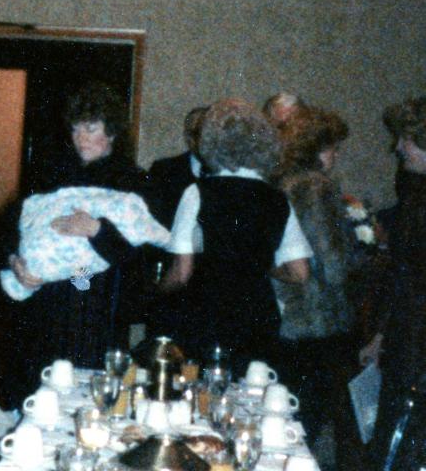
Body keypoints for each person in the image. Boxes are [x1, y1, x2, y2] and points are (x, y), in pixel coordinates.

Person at [6, 83, 152, 396]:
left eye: (90, 128)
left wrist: (97, 230)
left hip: (96, 307)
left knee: (86, 395)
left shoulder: (132, 181)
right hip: (42, 305)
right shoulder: (50, 174)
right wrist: (15, 263)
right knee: (36, 392)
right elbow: (10, 228)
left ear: (112, 132)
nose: (80, 138)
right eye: (75, 129)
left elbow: (141, 257)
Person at [160, 98, 311, 370]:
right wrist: (262, 265)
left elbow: (182, 273)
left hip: (206, 314)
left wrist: (157, 290)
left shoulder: (198, 193)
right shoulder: (277, 198)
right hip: (258, 316)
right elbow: (300, 273)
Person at [271, 107, 363, 470]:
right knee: (309, 422)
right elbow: (333, 264)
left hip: (287, 314)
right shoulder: (316, 187)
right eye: (333, 147)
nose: (335, 155)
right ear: (317, 148)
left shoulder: (281, 183)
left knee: (287, 418)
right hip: (317, 319)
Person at [362, 96, 426, 470]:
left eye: (407, 139)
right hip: (408, 334)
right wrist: (381, 336)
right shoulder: (414, 194)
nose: (397, 147)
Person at [145, 105, 207, 341]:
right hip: (170, 281)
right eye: (195, 133)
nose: (200, 139)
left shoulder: (226, 175)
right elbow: (152, 223)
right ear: (187, 137)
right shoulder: (165, 170)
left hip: (207, 286)